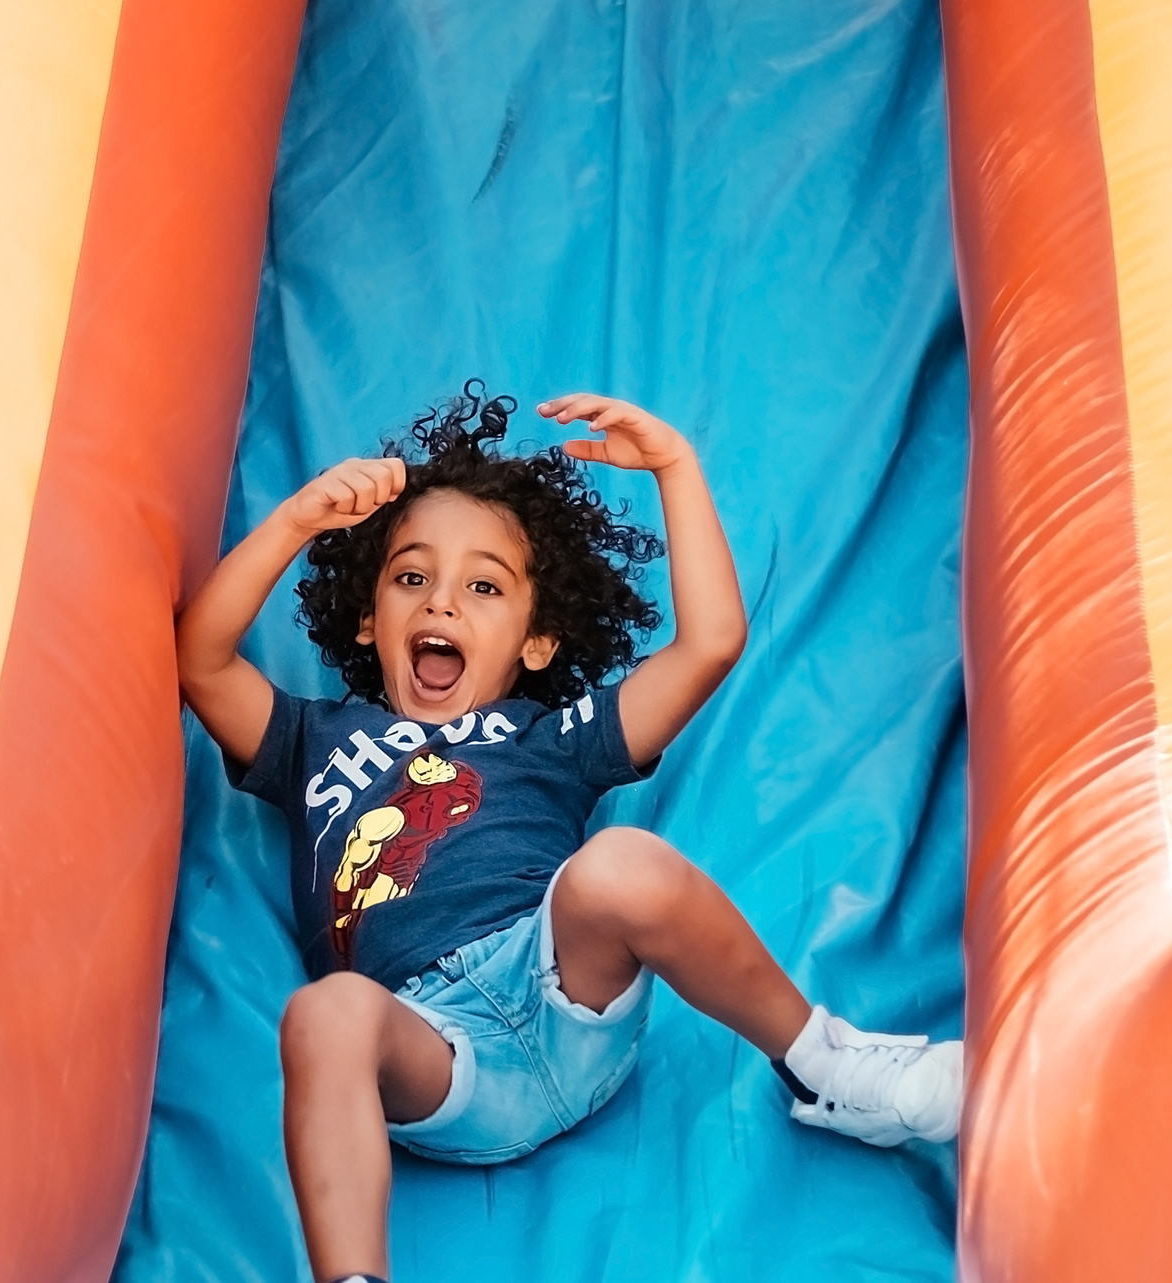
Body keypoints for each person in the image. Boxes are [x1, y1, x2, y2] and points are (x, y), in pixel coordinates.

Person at [176, 386, 961, 1283]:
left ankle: (825, 1063)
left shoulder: (549, 735)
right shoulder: (313, 740)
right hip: (430, 1051)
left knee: (617, 867)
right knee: (324, 1012)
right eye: (410, 577)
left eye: (482, 586)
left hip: (562, 992)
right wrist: (297, 520)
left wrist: (675, 466)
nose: (442, 604)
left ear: (537, 643)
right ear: (368, 617)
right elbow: (200, 655)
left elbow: (710, 642)